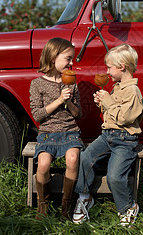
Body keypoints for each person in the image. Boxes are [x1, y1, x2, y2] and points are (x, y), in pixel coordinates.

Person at [73, 44, 143, 227]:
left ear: (122, 66)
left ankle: (128, 207)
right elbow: (112, 114)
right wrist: (102, 103)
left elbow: (125, 118)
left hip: (125, 140)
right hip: (107, 136)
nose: (107, 72)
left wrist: (108, 101)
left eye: (109, 67)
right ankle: (85, 196)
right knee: (85, 158)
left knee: (114, 176)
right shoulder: (117, 87)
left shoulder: (133, 92)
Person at [29, 37, 84, 220]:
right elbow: (37, 115)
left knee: (73, 158)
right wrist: (59, 100)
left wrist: (69, 103)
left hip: (70, 130)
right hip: (48, 133)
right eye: (68, 58)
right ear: (53, 57)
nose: (71, 62)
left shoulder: (71, 82)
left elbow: (79, 114)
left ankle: (66, 207)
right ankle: (42, 206)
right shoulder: (37, 84)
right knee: (43, 165)